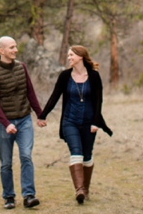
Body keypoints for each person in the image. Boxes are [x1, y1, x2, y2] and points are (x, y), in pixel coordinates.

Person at [40, 45, 112, 204]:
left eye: (71, 55)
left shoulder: (94, 76)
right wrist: (43, 115)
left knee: (87, 156)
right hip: (69, 121)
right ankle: (79, 190)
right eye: (68, 55)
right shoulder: (65, 76)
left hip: (88, 123)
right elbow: (54, 97)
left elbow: (98, 101)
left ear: (80, 56)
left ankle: (86, 189)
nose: (69, 57)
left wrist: (96, 122)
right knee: (76, 152)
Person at [0, 36, 47, 210]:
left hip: (24, 120)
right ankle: (9, 197)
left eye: (15, 47)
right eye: (11, 47)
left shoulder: (22, 68)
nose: (15, 50)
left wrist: (40, 114)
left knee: (26, 156)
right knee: (6, 162)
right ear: (1, 50)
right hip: (4, 123)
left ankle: (29, 195)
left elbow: (30, 91)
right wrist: (6, 124)